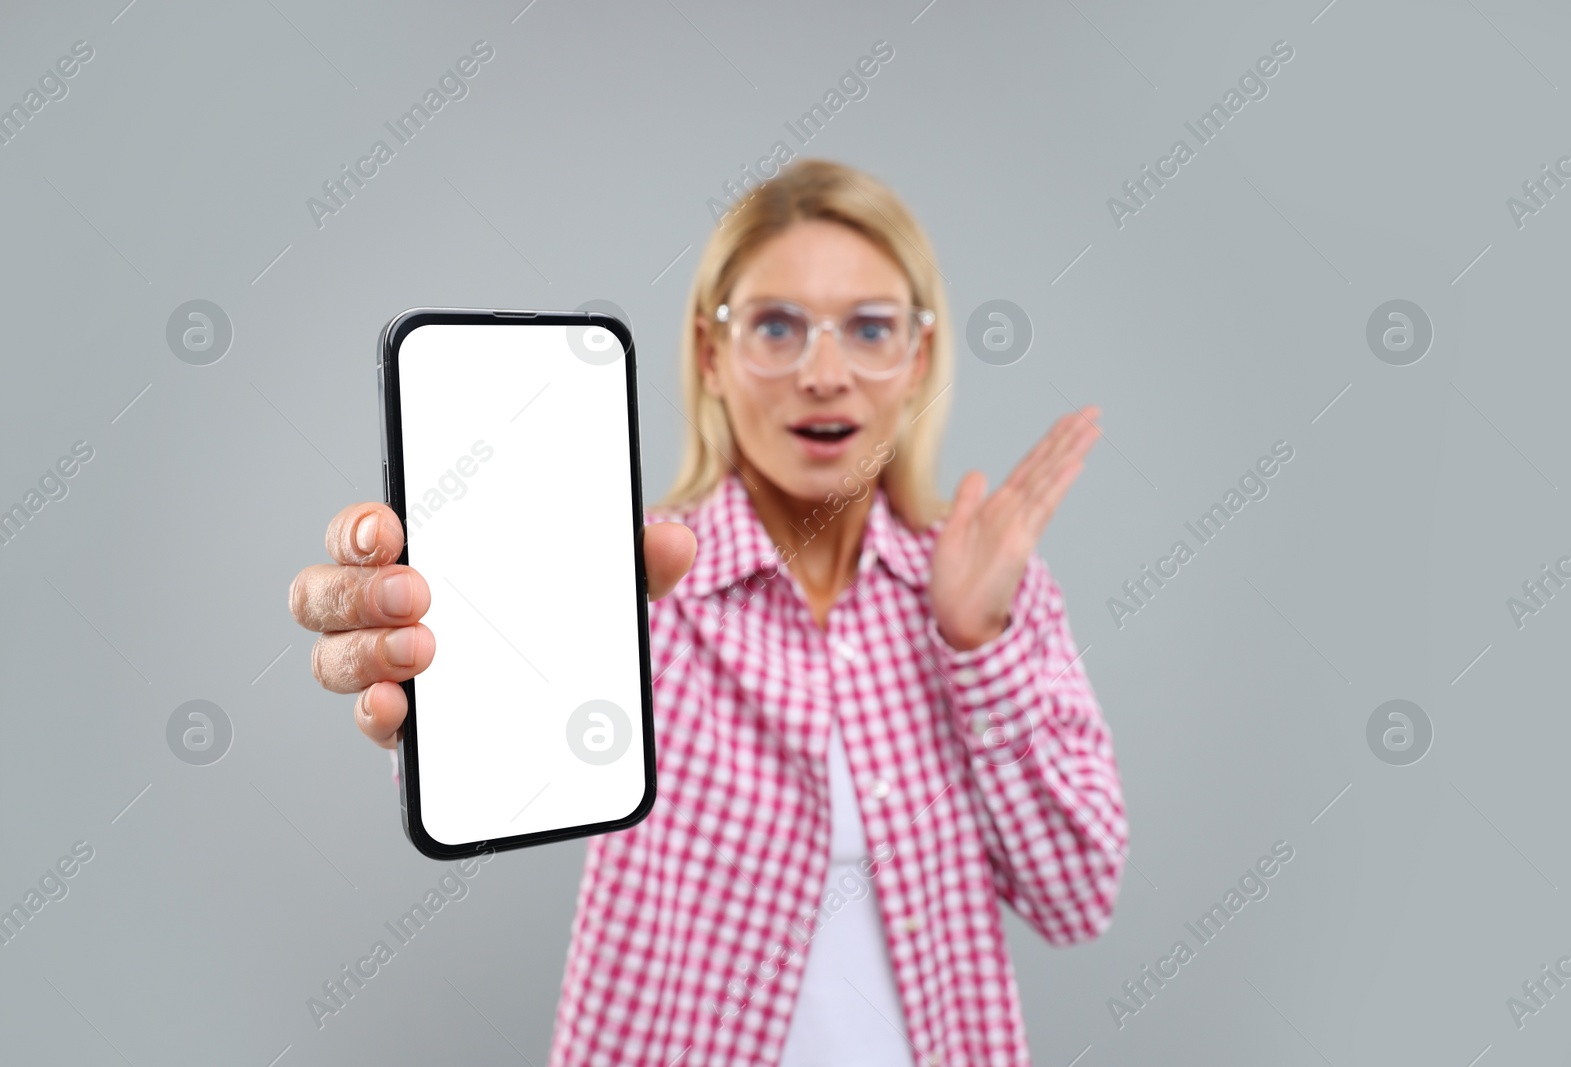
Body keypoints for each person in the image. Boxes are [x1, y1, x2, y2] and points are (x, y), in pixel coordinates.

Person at [287, 159, 1127, 1066]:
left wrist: (975, 646)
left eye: (871, 328)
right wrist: (421, 668)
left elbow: (1076, 896)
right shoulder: (641, 582)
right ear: (711, 355)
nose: (824, 373)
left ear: (917, 359)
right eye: (776, 325)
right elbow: (496, 721)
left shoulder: (994, 588)